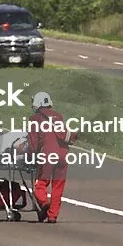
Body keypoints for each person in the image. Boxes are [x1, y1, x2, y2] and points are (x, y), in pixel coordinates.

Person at [22, 92, 75, 223]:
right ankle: (52, 216)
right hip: (63, 154)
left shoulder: (35, 119)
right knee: (58, 186)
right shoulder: (58, 116)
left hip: (48, 154)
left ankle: (45, 203)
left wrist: (28, 156)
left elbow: (33, 145)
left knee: (40, 184)